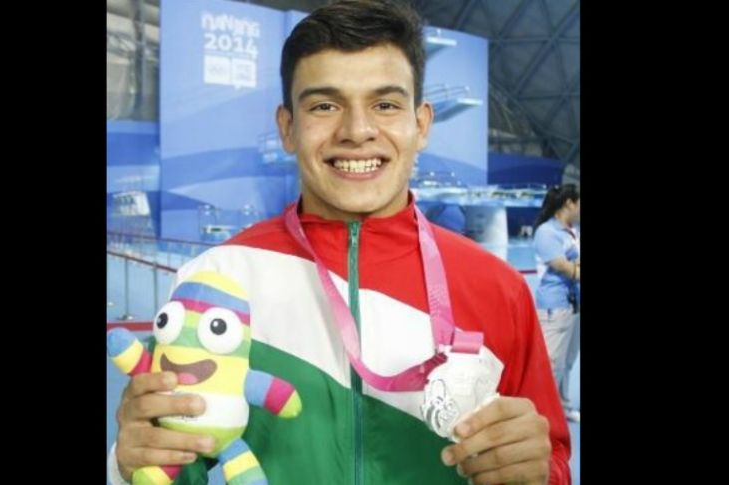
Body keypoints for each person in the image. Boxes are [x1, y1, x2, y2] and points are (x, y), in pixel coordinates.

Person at [108, 1, 571, 484]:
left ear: (422, 124)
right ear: (288, 128)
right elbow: (171, 460)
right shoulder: (217, 276)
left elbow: (550, 456)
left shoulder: (499, 288)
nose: (356, 131)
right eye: (324, 106)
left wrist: (540, 472)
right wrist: (127, 464)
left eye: (386, 105)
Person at [533, 184, 581, 423]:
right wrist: (575, 269)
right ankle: (543, 414)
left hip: (574, 305)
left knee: (568, 361)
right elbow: (562, 266)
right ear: (569, 203)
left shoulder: (572, 231)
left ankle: (562, 406)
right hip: (554, 305)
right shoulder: (546, 232)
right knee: (551, 362)